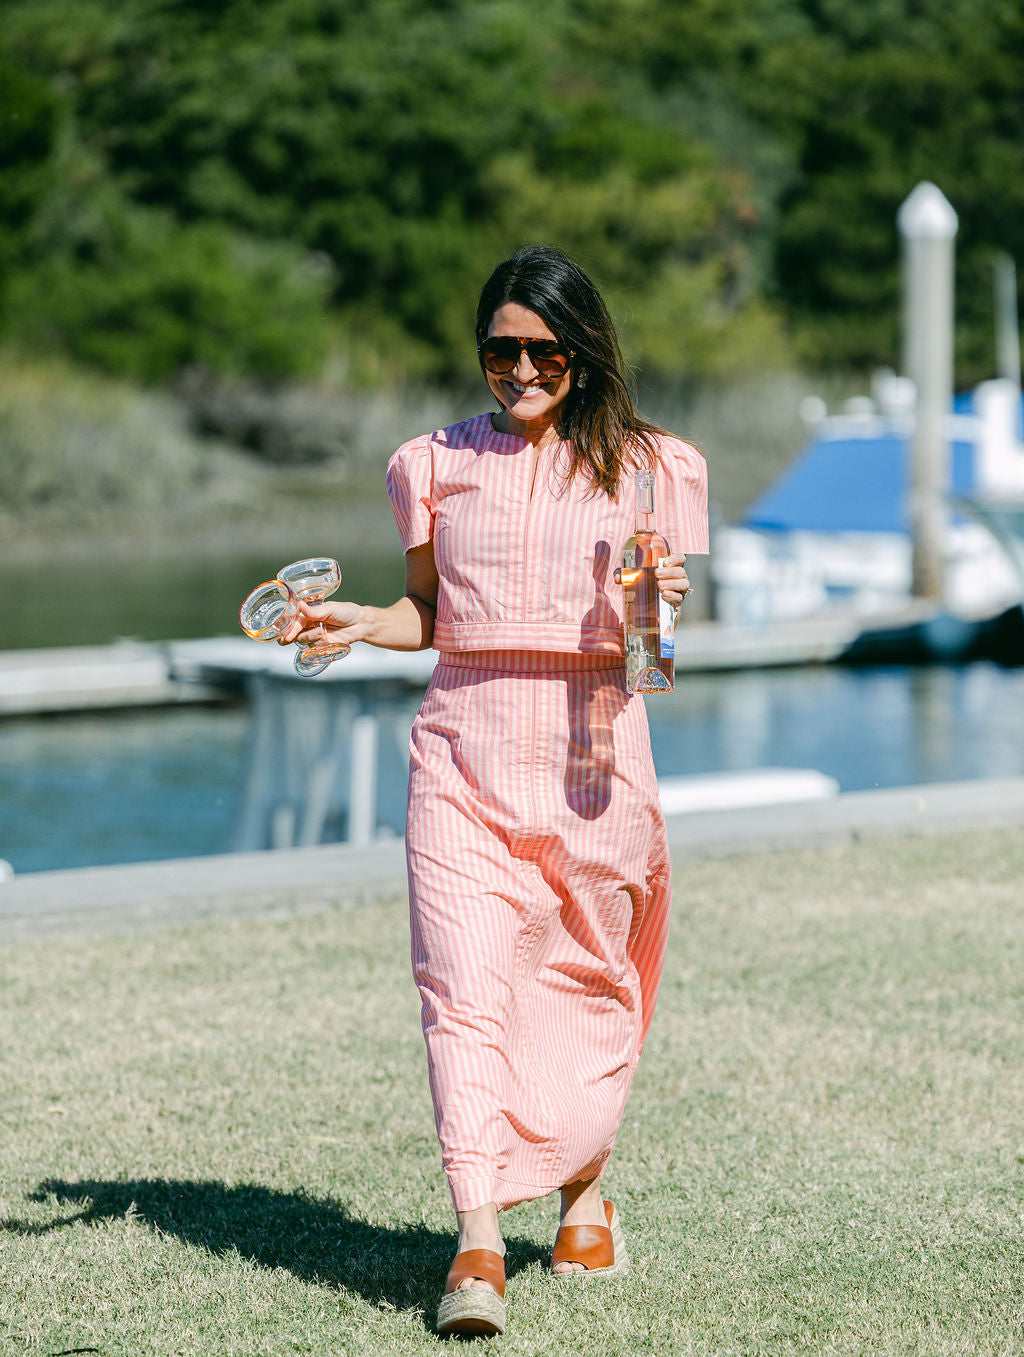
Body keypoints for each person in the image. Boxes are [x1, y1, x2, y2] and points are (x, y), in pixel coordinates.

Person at [280, 243, 708, 1337]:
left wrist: (653, 606)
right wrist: (355, 623)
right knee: (462, 986)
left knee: (583, 983)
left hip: (593, 760)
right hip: (461, 753)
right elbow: (427, 613)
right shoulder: (428, 461)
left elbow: (650, 660)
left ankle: (581, 1193)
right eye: (498, 350)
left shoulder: (658, 467)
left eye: (542, 350)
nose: (518, 369)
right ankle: (477, 1244)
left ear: (585, 351)